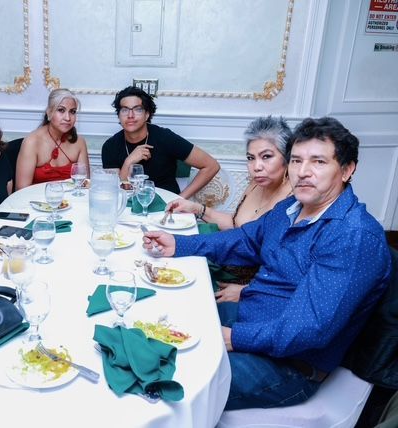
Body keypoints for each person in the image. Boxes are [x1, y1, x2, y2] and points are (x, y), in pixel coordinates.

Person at [142, 117, 391, 410]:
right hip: (250, 317)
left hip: (288, 364)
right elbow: (246, 240)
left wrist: (233, 338)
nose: (303, 172)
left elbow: (308, 329)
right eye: (296, 160)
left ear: (347, 170)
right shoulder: (292, 207)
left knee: (167, 380)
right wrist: (179, 245)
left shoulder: (352, 236)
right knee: (154, 325)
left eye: (319, 162)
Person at [167, 116, 293, 301]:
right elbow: (237, 226)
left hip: (254, 288)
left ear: (287, 158)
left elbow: (288, 269)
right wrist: (197, 208)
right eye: (251, 158)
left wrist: (245, 290)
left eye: (266, 156)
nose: (256, 167)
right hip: (226, 267)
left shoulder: (293, 200)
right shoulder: (256, 185)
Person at [101, 86, 219, 198]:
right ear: (119, 115)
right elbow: (115, 191)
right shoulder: (110, 146)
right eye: (124, 110)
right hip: (129, 205)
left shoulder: (165, 138)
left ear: (147, 115)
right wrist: (128, 162)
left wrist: (179, 199)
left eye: (138, 109)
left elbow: (211, 166)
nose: (130, 115)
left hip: (167, 205)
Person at [16, 88, 89, 189]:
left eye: (72, 112)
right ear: (49, 112)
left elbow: (84, 185)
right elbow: (21, 189)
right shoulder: (32, 142)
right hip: (36, 198)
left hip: (71, 198)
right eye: (61, 110)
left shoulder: (79, 142)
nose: (67, 118)